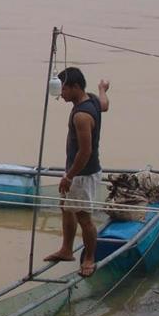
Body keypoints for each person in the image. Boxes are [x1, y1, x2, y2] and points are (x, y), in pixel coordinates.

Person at [44, 68, 110, 277]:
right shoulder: (91, 99)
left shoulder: (82, 115)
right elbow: (105, 105)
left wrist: (69, 176)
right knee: (66, 207)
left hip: (82, 173)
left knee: (83, 217)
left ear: (75, 87)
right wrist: (102, 89)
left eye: (62, 89)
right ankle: (66, 249)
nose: (60, 94)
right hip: (77, 170)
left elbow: (85, 151)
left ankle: (89, 258)